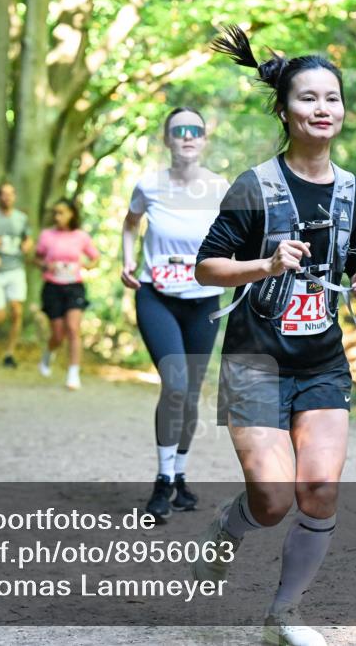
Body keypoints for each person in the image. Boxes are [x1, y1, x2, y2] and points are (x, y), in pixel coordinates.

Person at [192, 26, 356, 646]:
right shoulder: (254, 185)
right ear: (285, 109)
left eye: (332, 98)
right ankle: (230, 526)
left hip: (323, 360)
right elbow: (207, 267)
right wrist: (266, 265)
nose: (322, 109)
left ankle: (284, 615)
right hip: (256, 359)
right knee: (271, 499)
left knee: (320, 489)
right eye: (308, 98)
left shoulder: (354, 189)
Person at [121, 107, 228, 521]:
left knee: (192, 390)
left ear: (204, 140)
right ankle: (163, 481)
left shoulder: (220, 189)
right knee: (177, 384)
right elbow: (130, 223)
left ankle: (180, 474)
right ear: (167, 139)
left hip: (203, 300)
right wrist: (127, 261)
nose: (187, 136)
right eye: (178, 131)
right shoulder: (148, 185)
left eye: (195, 131)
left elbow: (240, 237)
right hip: (157, 296)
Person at [35, 199, 99, 390]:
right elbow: (36, 258)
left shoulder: (81, 236)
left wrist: (86, 265)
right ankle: (48, 353)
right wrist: (46, 265)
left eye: (61, 212)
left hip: (74, 287)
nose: (57, 216)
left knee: (73, 328)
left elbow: (95, 258)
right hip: (52, 287)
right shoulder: (47, 235)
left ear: (72, 213)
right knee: (58, 333)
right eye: (55, 213)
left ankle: (73, 373)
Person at [0, 182, 33, 367]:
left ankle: (9, 352)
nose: (7, 197)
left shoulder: (21, 218)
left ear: (15, 196)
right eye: (3, 194)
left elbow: (28, 238)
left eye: (10, 194)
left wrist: (28, 245)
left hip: (15, 269)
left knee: (17, 310)